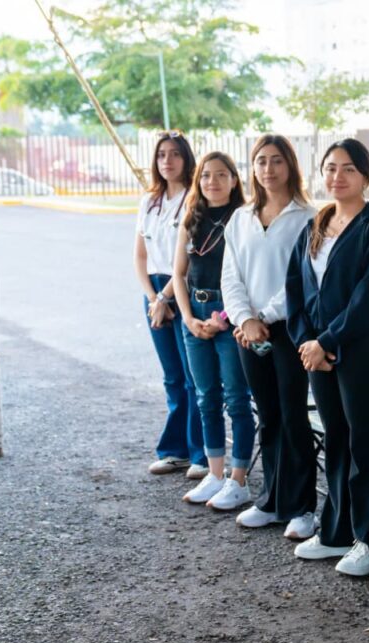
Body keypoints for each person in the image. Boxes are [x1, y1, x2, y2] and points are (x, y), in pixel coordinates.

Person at [286, 139, 369, 575]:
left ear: (365, 175)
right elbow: (295, 287)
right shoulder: (315, 224)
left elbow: (367, 293)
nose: (338, 176)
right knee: (335, 437)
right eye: (330, 168)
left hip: (356, 350)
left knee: (362, 439)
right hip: (317, 352)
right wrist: (306, 341)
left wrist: (328, 341)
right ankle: (336, 532)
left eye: (348, 168)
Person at [221, 134, 319, 540]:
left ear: (290, 165)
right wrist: (245, 319)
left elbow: (303, 279)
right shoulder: (240, 218)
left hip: (289, 327)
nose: (268, 169)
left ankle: (302, 507)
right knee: (269, 415)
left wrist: (264, 316)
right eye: (261, 161)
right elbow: (230, 275)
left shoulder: (309, 217)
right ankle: (271, 501)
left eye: (276, 160)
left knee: (293, 415)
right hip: (249, 331)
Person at [171, 151, 256, 510]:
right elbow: (178, 275)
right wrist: (189, 319)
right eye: (206, 175)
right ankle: (215, 474)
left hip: (230, 314)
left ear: (234, 180)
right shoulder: (191, 218)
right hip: (195, 312)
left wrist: (223, 316)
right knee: (205, 397)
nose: (213, 182)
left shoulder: (244, 219)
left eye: (222, 175)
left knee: (236, 398)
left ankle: (239, 480)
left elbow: (248, 276)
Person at [133, 130, 206, 478]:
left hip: (182, 289)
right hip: (155, 292)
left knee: (195, 377)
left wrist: (166, 297)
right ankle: (175, 451)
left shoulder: (195, 199)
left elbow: (189, 260)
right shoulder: (149, 201)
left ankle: (201, 453)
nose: (168, 161)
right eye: (162, 154)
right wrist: (153, 298)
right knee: (173, 377)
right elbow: (140, 256)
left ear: (186, 158)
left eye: (175, 154)